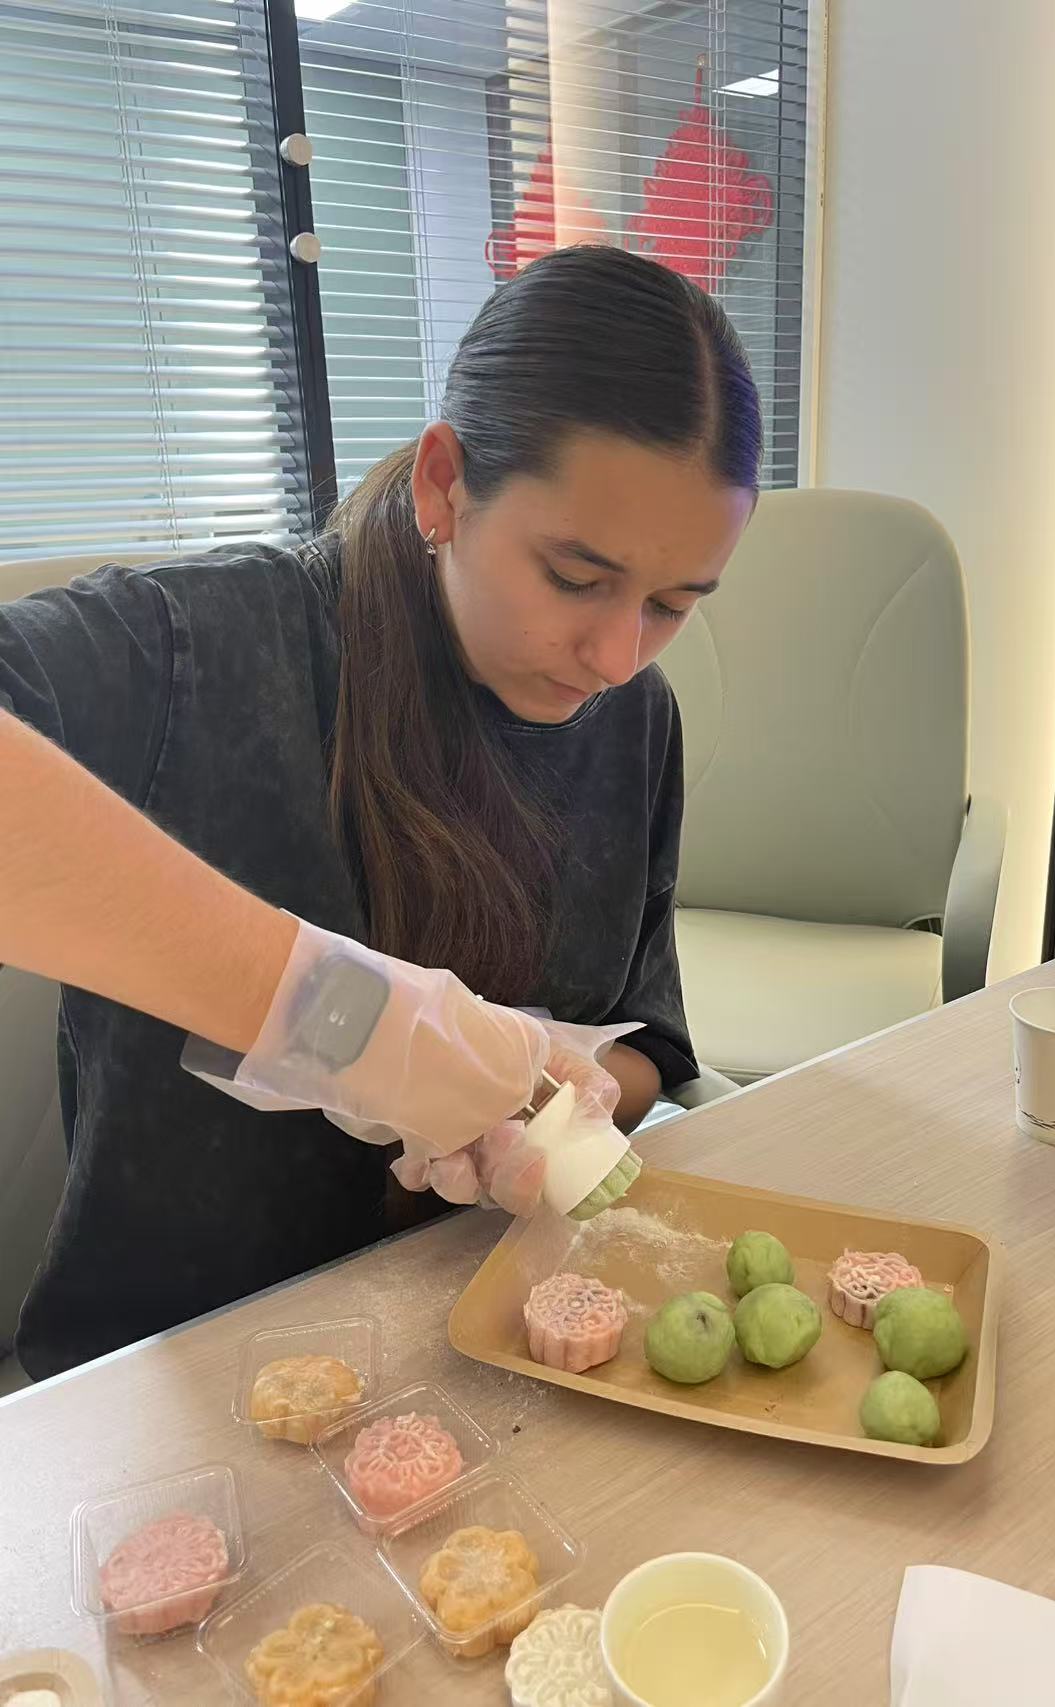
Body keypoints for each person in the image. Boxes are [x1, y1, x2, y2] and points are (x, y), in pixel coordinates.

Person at [0, 245, 761, 1380]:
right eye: (572, 576)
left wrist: (551, 1092)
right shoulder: (194, 653)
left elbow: (647, 1040)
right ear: (444, 483)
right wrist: (349, 1022)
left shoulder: (633, 719)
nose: (613, 655)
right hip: (177, 1373)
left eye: (669, 604)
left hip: (490, 1344)